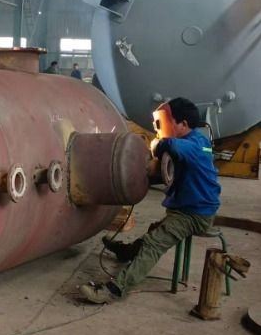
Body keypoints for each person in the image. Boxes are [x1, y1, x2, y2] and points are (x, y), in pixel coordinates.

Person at [79, 97, 221, 304]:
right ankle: (126, 252)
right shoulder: (197, 141)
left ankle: (114, 290)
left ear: (183, 124)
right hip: (189, 209)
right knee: (154, 231)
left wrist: (158, 144)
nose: (159, 129)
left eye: (166, 122)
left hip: (195, 215)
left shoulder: (195, 146)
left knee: (154, 244)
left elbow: (170, 144)